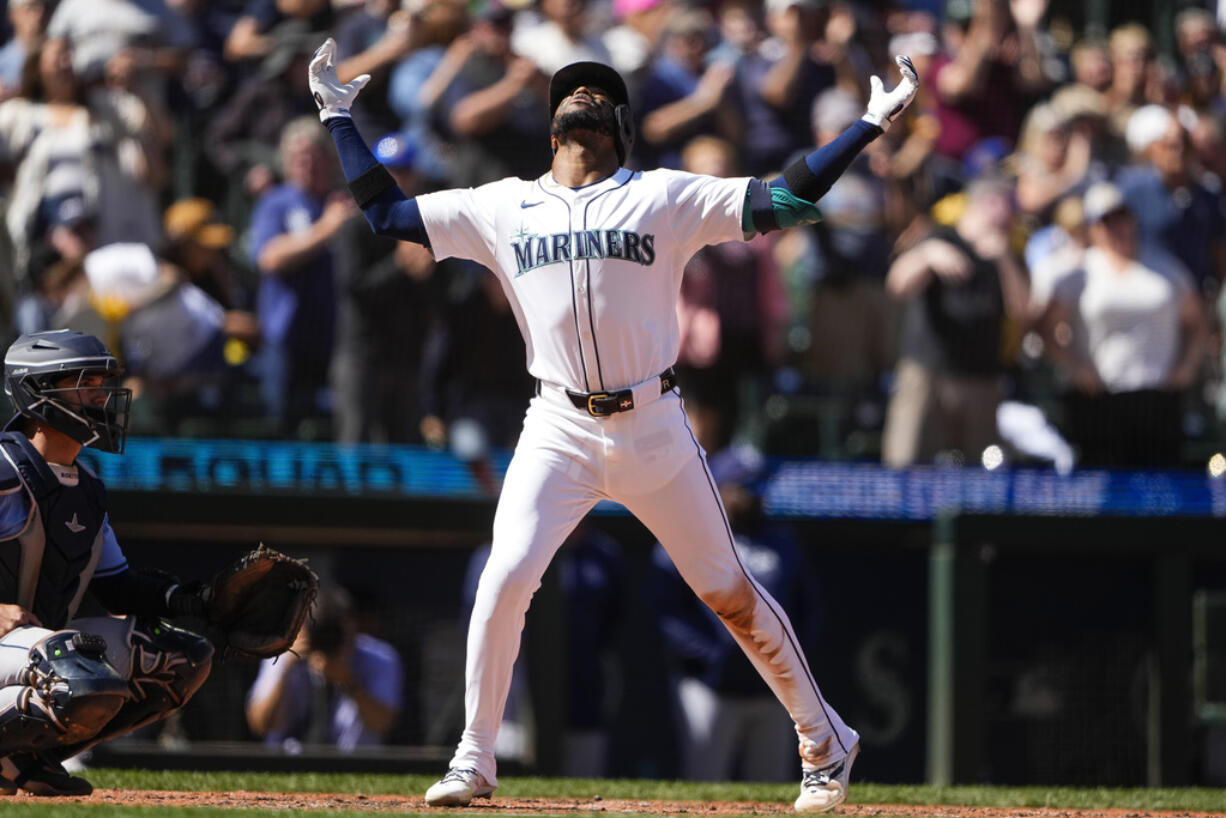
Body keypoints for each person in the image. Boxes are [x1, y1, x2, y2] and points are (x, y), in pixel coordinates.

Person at [309, 39, 919, 811]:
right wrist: (336, 114)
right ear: (552, 125)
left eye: (599, 93)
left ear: (621, 126)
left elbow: (786, 201)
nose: (584, 96)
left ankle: (826, 741)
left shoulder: (662, 194)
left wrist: (865, 124)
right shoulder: (502, 204)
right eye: (574, 91)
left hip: (653, 423)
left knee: (726, 589)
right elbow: (386, 213)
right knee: (502, 580)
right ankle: (472, 757)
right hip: (556, 424)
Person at [0, 329, 214, 795]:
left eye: (103, 382)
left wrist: (199, 600)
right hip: (15, 646)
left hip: (28, 649)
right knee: (70, 662)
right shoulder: (4, 471)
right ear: (37, 392)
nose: (102, 396)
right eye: (85, 383)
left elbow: (117, 587)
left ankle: (25, 758)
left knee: (179, 658)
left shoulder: (87, 488)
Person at [1036, 182, 1206, 469]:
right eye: (1106, 222)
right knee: (1103, 487)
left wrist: (1187, 366)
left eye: (1122, 218)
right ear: (1093, 228)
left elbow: (1197, 322)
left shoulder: (1165, 267)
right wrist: (1075, 368)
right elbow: (1045, 328)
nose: (1118, 228)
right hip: (1100, 398)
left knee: (1160, 488)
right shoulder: (1080, 272)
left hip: (1158, 397)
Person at [881, 177, 1030, 468]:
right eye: (1008, 207)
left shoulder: (1005, 253)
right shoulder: (940, 236)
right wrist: (926, 254)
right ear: (990, 203)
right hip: (928, 376)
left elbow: (1022, 311)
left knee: (979, 473)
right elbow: (896, 285)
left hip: (981, 380)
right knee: (906, 464)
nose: (1012, 217)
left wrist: (1004, 262)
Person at [246, 586, 403, 751]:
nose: (328, 640)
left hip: (353, 764)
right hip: (288, 763)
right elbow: (260, 724)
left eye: (335, 632)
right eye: (320, 631)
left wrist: (350, 684)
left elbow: (383, 725)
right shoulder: (283, 655)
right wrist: (286, 668)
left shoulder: (380, 658)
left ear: (352, 627)